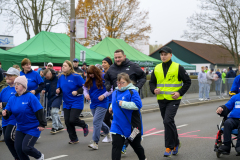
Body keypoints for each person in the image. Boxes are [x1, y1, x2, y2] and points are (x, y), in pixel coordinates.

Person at [149, 46, 191, 157]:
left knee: (167, 121)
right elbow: (151, 82)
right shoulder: (157, 68)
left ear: (171, 55)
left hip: (173, 99)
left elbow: (187, 82)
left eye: (165, 54)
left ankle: (168, 147)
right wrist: (154, 89)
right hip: (161, 100)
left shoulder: (178, 67)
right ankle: (176, 143)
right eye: (162, 54)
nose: (163, 56)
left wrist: (179, 93)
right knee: (169, 122)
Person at [104, 49, 146, 154]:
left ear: (124, 56)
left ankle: (133, 140)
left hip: (130, 99)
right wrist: (107, 85)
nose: (117, 59)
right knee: (116, 121)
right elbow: (107, 78)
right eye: (116, 57)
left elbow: (143, 77)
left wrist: (137, 87)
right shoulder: (112, 68)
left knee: (134, 127)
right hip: (117, 100)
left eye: (119, 57)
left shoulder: (133, 66)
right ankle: (122, 143)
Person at [2, 76, 46, 160]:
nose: (16, 86)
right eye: (15, 84)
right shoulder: (12, 99)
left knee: (26, 148)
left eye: (18, 84)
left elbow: (39, 110)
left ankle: (39, 156)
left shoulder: (30, 97)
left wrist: (42, 124)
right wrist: (5, 113)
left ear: (24, 86)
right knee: (18, 149)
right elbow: (8, 114)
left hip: (33, 127)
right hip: (21, 128)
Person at [110, 72, 146, 160]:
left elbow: (138, 105)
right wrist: (111, 107)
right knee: (116, 146)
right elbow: (114, 102)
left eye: (122, 82)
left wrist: (124, 104)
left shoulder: (132, 91)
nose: (120, 85)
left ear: (128, 82)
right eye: (118, 83)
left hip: (133, 126)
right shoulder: (115, 92)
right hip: (117, 125)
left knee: (136, 146)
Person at [56, 60, 89, 144]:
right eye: (63, 65)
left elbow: (85, 87)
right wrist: (58, 89)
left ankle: (84, 125)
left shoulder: (76, 76)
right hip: (66, 102)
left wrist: (77, 92)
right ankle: (74, 139)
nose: (63, 67)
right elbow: (59, 86)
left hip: (76, 101)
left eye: (65, 66)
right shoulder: (61, 76)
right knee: (67, 121)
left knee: (72, 119)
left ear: (70, 67)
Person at [83, 65, 112, 150]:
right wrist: (86, 94)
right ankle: (108, 132)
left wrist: (104, 95)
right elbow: (84, 87)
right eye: (89, 74)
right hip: (93, 103)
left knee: (96, 121)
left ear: (95, 72)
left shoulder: (103, 76)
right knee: (98, 121)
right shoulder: (89, 78)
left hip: (103, 103)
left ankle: (95, 142)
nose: (90, 76)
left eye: (92, 74)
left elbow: (111, 89)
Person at [0, 67, 19, 159]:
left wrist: (3, 104)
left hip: (15, 119)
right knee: (8, 141)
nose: (7, 77)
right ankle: (18, 157)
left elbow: (17, 103)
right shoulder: (4, 90)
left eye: (10, 75)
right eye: (6, 75)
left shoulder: (18, 89)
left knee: (8, 138)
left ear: (16, 77)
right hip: (5, 120)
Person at [43, 68, 64, 134]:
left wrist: (59, 89)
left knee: (54, 111)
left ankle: (55, 127)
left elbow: (62, 85)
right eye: (46, 77)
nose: (47, 78)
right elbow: (44, 86)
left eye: (48, 77)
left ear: (50, 74)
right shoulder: (46, 80)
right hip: (50, 97)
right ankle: (60, 126)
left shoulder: (58, 78)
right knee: (54, 113)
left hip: (57, 96)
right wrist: (44, 90)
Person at [102, 57, 113, 128]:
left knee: (106, 118)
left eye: (105, 62)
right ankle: (110, 131)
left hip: (111, 99)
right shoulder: (101, 73)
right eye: (102, 62)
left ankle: (111, 131)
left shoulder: (113, 72)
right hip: (103, 98)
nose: (103, 64)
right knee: (104, 118)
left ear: (109, 64)